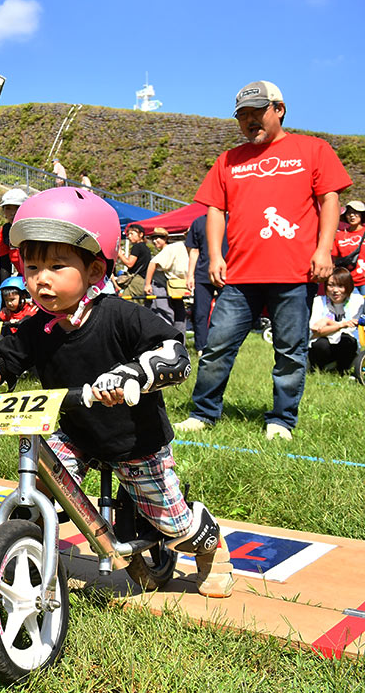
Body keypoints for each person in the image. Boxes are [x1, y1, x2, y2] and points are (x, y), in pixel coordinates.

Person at [0, 186, 233, 598]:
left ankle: (209, 545)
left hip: (135, 438)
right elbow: (3, 360)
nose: (41, 279)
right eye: (32, 267)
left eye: (57, 266)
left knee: (173, 523)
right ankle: (32, 547)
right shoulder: (34, 327)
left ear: (95, 272)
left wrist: (132, 375)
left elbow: (173, 353)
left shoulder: (122, 315)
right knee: (38, 485)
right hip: (74, 432)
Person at [175, 81, 352, 441]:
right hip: (239, 274)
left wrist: (324, 250)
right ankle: (203, 413)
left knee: (290, 351)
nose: (250, 120)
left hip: (294, 271)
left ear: (279, 109)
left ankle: (281, 421)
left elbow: (330, 200)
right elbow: (215, 210)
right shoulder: (228, 160)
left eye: (257, 112)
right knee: (217, 346)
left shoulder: (312, 149)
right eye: (243, 115)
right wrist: (215, 256)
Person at [184, 212, 226, 354]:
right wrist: (190, 275)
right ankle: (201, 347)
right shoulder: (199, 222)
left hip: (228, 273)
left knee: (226, 312)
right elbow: (194, 250)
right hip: (202, 274)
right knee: (200, 312)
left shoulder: (232, 220)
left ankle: (223, 345)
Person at [308, 268, 363, 373]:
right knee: (321, 344)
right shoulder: (319, 301)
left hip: (346, 346)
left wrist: (327, 323)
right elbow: (314, 331)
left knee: (347, 340)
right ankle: (320, 369)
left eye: (340, 286)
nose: (335, 290)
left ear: (348, 287)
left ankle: (342, 370)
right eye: (331, 285)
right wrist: (341, 325)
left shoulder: (357, 301)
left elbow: (351, 329)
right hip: (322, 348)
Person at [144, 228, 189, 334]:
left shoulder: (174, 248)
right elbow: (153, 263)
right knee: (165, 312)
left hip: (174, 286)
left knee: (173, 313)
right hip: (162, 285)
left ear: (165, 238)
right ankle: (167, 339)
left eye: (158, 238)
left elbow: (153, 263)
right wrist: (147, 284)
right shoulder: (174, 249)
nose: (155, 241)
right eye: (154, 238)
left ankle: (175, 339)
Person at [332, 200, 365, 294]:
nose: (352, 215)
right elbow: (336, 260)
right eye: (349, 213)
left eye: (355, 213)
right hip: (348, 282)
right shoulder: (339, 235)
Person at [0, 188, 27, 282]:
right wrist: (4, 289)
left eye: (17, 207)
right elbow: (4, 263)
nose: (12, 213)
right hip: (22, 277)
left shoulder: (34, 228)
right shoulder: (5, 231)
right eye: (8, 208)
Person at [115, 224, 151, 298]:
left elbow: (130, 264)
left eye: (132, 234)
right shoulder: (145, 248)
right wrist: (123, 257)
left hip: (136, 280)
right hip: (144, 279)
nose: (129, 236)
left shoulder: (137, 247)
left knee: (126, 301)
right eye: (128, 234)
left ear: (141, 234)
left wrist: (119, 254)